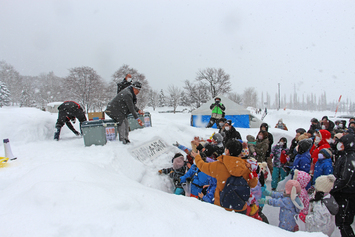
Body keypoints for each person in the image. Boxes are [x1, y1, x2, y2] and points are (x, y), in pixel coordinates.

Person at [192, 140, 258, 214]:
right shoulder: (245, 166)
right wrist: (252, 171)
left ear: (227, 151)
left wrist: (197, 157)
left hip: (222, 205)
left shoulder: (219, 165)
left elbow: (203, 166)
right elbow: (253, 184)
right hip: (240, 207)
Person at [330, 133, 355, 237]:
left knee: (343, 223)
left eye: (342, 143)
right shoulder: (345, 156)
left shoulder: (349, 158)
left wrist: (332, 188)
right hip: (346, 194)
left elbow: (345, 179)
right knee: (343, 222)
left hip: (346, 195)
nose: (339, 145)